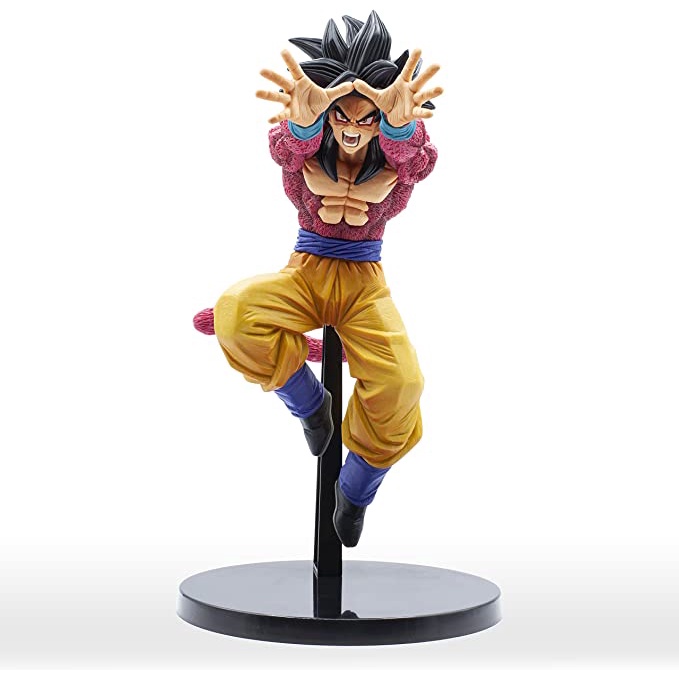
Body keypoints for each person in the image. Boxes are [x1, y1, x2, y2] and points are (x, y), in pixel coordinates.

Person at [214, 11, 442, 547]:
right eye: (343, 114)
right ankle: (310, 404)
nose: (354, 128)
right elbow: (284, 151)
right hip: (307, 270)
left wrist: (400, 127)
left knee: (402, 383)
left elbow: (419, 164)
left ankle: (356, 486)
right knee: (237, 311)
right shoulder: (307, 142)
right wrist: (303, 124)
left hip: (365, 281)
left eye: (368, 117)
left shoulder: (396, 148)